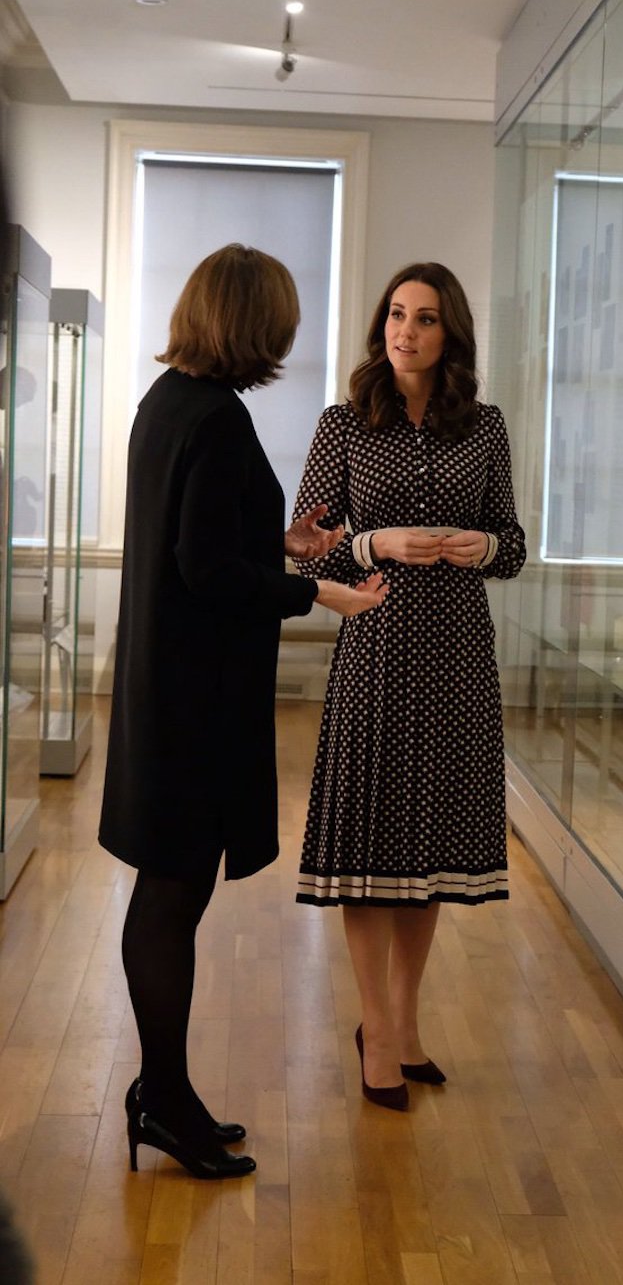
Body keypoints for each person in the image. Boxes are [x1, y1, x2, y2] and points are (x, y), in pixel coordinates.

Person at [98, 244, 387, 1177]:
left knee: (167, 888)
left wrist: (281, 540)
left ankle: (164, 1095)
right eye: (283, 321)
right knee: (172, 892)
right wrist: (317, 591)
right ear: (253, 323)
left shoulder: (168, 402)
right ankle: (166, 1103)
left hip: (163, 687)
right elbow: (207, 571)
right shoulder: (217, 418)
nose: (289, 337)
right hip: (194, 701)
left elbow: (200, 537)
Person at [291, 261, 525, 1109]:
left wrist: (484, 550)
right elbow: (304, 542)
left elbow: (514, 540)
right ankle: (376, 1030)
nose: (406, 331)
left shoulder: (484, 427)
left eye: (425, 319)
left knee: (425, 853)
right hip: (379, 643)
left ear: (449, 333)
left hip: (459, 652)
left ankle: (406, 1020)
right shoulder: (345, 422)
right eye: (396, 314)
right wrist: (375, 543)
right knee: (370, 847)